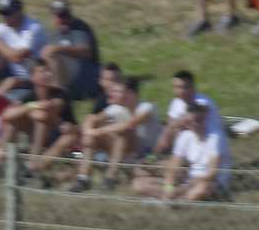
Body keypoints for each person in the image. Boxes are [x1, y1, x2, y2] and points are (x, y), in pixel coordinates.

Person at [136, 66, 229, 200]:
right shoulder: (177, 106)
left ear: (192, 88)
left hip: (204, 167)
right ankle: (170, 197)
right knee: (140, 175)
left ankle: (175, 199)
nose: (178, 92)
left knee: (199, 186)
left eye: (182, 87)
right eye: (176, 87)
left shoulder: (203, 105)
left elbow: (212, 171)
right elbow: (166, 137)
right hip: (186, 162)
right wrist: (151, 158)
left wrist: (177, 124)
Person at [74, 65, 160, 189]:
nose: (112, 94)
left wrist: (96, 132)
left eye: (118, 91)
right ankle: (83, 178)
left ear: (130, 93)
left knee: (122, 133)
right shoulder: (116, 108)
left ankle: (110, 178)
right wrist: (88, 131)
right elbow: (92, 119)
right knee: (93, 138)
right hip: (126, 152)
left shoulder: (147, 108)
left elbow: (128, 125)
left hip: (146, 154)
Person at [41, 0, 97, 101]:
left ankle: (59, 95)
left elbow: (86, 53)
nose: (62, 19)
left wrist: (58, 49)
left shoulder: (80, 28)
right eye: (58, 15)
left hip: (85, 76)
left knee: (53, 54)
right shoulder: (54, 33)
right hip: (68, 76)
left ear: (69, 13)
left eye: (64, 15)